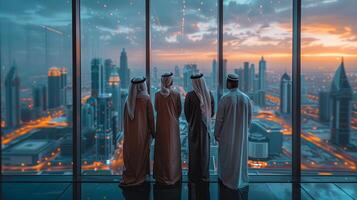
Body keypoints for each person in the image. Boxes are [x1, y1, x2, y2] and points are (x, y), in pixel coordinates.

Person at [214, 73, 252, 190]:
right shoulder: (246, 98)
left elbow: (219, 120)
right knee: (238, 157)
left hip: (227, 135)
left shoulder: (225, 99)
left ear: (230, 83)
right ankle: (239, 179)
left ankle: (227, 180)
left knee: (227, 158)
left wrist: (217, 134)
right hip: (241, 135)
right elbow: (249, 119)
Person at [121, 77, 155, 186]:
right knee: (141, 154)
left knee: (131, 156)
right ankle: (139, 177)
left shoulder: (128, 101)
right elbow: (151, 118)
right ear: (142, 86)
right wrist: (154, 133)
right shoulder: (146, 99)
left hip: (130, 135)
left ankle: (130, 177)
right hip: (142, 134)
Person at [184, 73, 215, 182]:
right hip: (205, 128)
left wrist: (192, 121)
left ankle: (194, 176)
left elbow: (186, 114)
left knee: (194, 152)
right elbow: (212, 113)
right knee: (204, 152)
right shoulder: (209, 94)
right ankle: (204, 175)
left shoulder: (189, 96)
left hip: (194, 128)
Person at [153, 72, 182, 185]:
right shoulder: (176, 94)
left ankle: (161, 175)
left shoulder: (157, 95)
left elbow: (156, 108)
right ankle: (173, 175)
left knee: (162, 150)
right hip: (173, 126)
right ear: (171, 81)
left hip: (161, 125)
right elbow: (179, 111)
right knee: (173, 150)